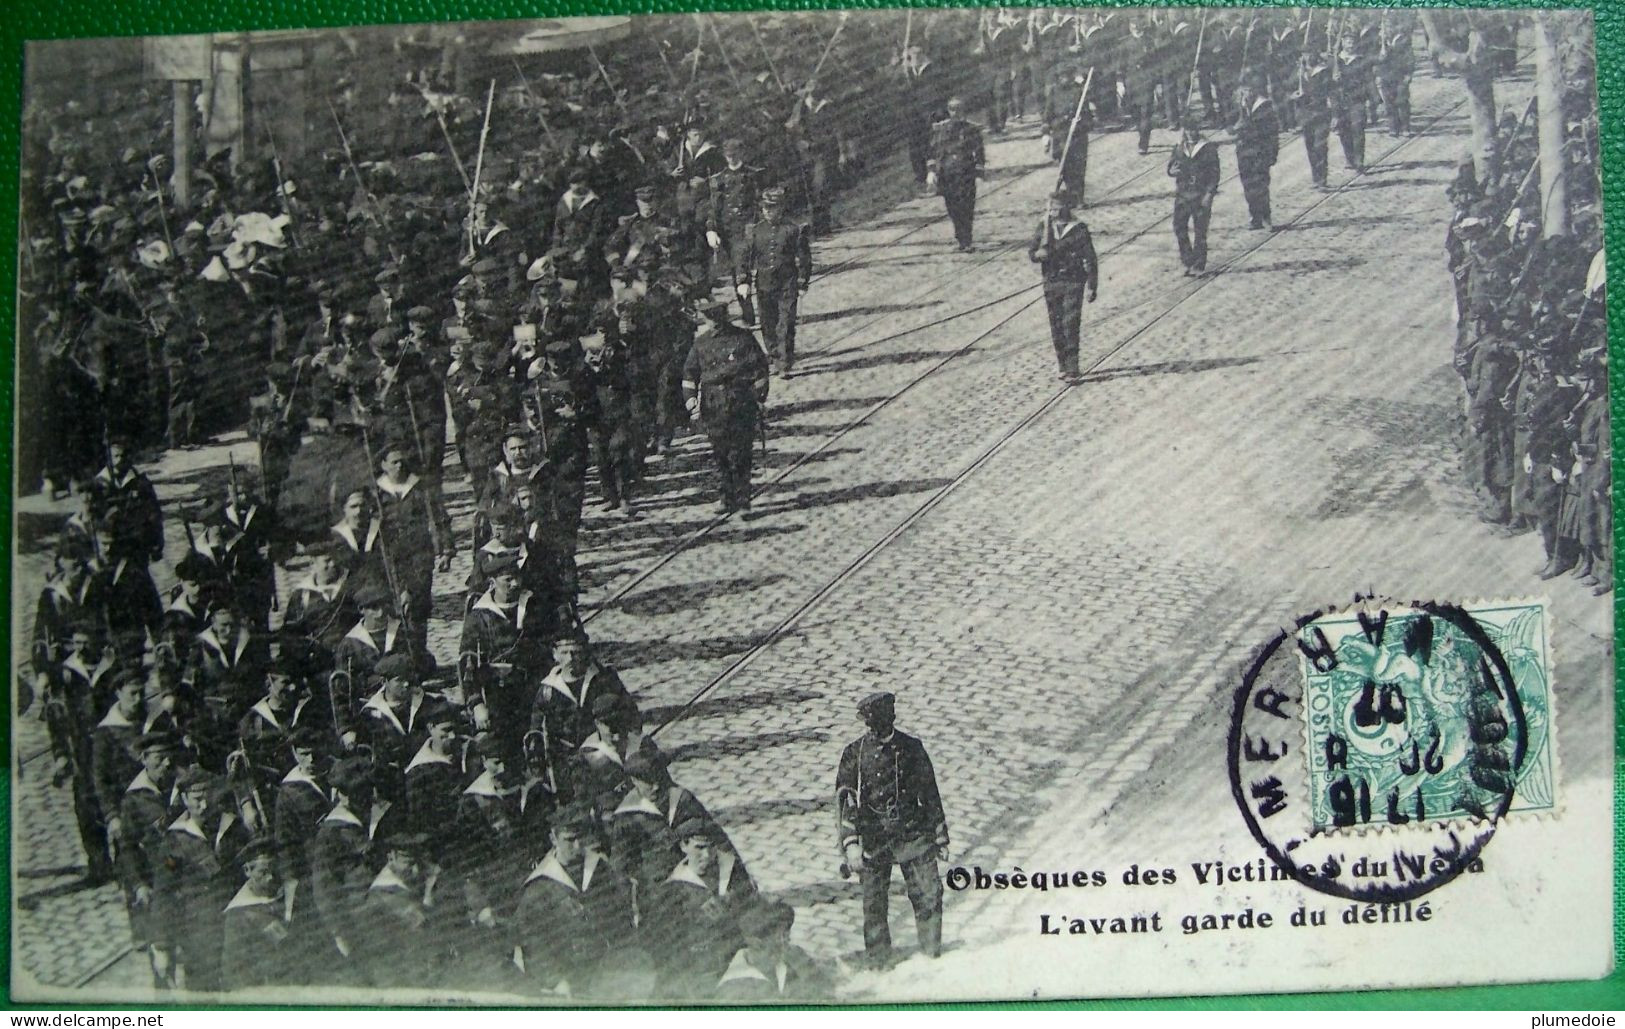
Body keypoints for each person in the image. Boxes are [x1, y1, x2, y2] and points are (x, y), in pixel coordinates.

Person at [835, 691, 948, 969]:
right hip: (874, 838)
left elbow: (930, 793)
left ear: (892, 718)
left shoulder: (912, 748)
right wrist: (851, 844)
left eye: (883, 721)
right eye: (872, 723)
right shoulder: (854, 753)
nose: (877, 728)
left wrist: (939, 837)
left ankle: (931, 952)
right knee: (873, 904)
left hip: (913, 832)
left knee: (929, 892)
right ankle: (879, 961)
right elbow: (846, 799)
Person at [681, 300, 770, 514]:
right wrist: (690, 399)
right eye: (711, 319)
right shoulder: (700, 344)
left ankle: (743, 498)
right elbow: (689, 373)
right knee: (720, 453)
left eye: (716, 318)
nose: (714, 323)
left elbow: (760, 369)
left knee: (741, 452)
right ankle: (726, 497)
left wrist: (759, 398)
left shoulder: (743, 338)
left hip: (740, 401)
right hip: (713, 405)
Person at [1028, 190, 1100, 385]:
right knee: (1056, 324)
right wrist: (1037, 255)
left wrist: (1092, 286)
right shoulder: (1044, 227)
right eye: (1051, 208)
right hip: (1051, 282)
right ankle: (1062, 363)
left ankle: (1072, 367)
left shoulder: (1079, 229)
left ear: (1067, 208)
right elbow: (1032, 251)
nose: (1053, 212)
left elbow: (1091, 258)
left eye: (1057, 209)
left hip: (1073, 281)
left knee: (1070, 323)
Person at [739, 186, 812, 379]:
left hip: (787, 284)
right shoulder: (756, 231)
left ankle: (784, 362)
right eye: (765, 208)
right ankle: (773, 355)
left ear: (781, 208)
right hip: (764, 285)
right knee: (767, 324)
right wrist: (743, 280)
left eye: (772, 207)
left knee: (786, 323)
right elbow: (745, 257)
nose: (768, 211)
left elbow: (804, 258)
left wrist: (803, 282)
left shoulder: (793, 230)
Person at [714, 898, 830, 1000]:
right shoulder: (734, 989)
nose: (786, 942)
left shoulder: (795, 957)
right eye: (777, 938)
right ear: (755, 943)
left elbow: (826, 991)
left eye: (786, 934)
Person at [926, 97, 986, 253]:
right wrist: (932, 171)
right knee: (952, 207)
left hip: (966, 173)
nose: (956, 113)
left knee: (967, 206)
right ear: (948, 111)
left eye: (959, 110)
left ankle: (967, 239)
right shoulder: (939, 130)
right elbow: (932, 151)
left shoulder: (971, 129)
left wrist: (979, 170)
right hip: (947, 174)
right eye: (953, 109)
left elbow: (979, 151)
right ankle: (960, 237)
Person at [1166, 119, 1221, 276]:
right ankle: (1187, 259)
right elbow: (1170, 166)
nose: (1190, 133)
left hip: (1200, 195)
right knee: (1178, 226)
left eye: (1193, 129)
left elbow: (1215, 174)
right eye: (1188, 130)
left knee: (1200, 231)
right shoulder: (1179, 148)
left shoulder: (1208, 148)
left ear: (1198, 130)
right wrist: (1171, 171)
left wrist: (1209, 194)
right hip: (1182, 195)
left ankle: (1199, 264)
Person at [1232, 72, 1281, 231]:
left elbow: (1272, 133)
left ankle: (1266, 216)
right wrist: (1233, 127)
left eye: (1249, 89)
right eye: (1243, 89)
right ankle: (1255, 216)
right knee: (1248, 185)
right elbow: (1227, 124)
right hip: (1243, 152)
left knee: (1261, 185)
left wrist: (1273, 154)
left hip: (1260, 152)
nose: (1246, 93)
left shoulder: (1264, 106)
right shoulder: (1238, 106)